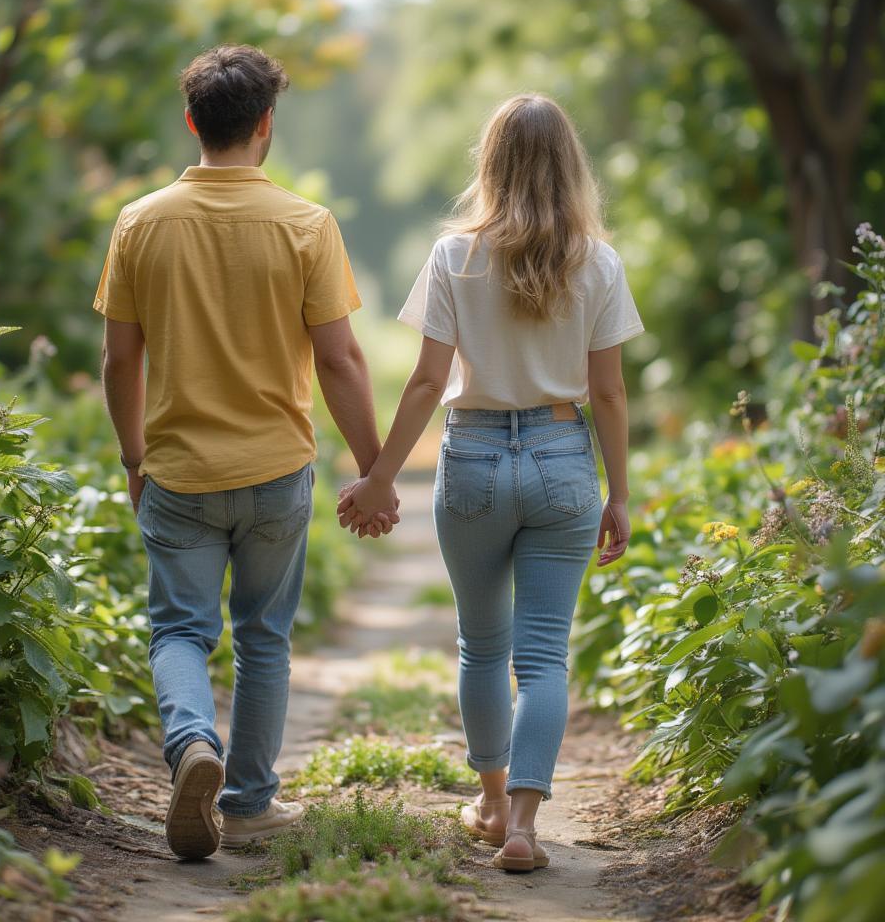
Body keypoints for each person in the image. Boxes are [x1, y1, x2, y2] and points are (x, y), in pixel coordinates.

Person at [94, 44, 397, 860]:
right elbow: (339, 360)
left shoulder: (140, 223)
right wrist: (374, 470)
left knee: (179, 635)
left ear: (193, 121)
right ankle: (251, 800)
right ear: (267, 124)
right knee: (264, 637)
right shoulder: (306, 225)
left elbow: (122, 360)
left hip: (179, 471)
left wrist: (133, 457)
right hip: (274, 472)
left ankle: (192, 741)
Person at [338, 93, 644, 873]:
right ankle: (526, 828)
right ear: (571, 166)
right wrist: (619, 491)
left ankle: (491, 799)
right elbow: (608, 393)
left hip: (471, 457)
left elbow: (423, 382)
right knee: (542, 656)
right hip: (562, 458)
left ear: (491, 163)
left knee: (482, 645)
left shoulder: (455, 255)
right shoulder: (598, 262)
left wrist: (377, 478)